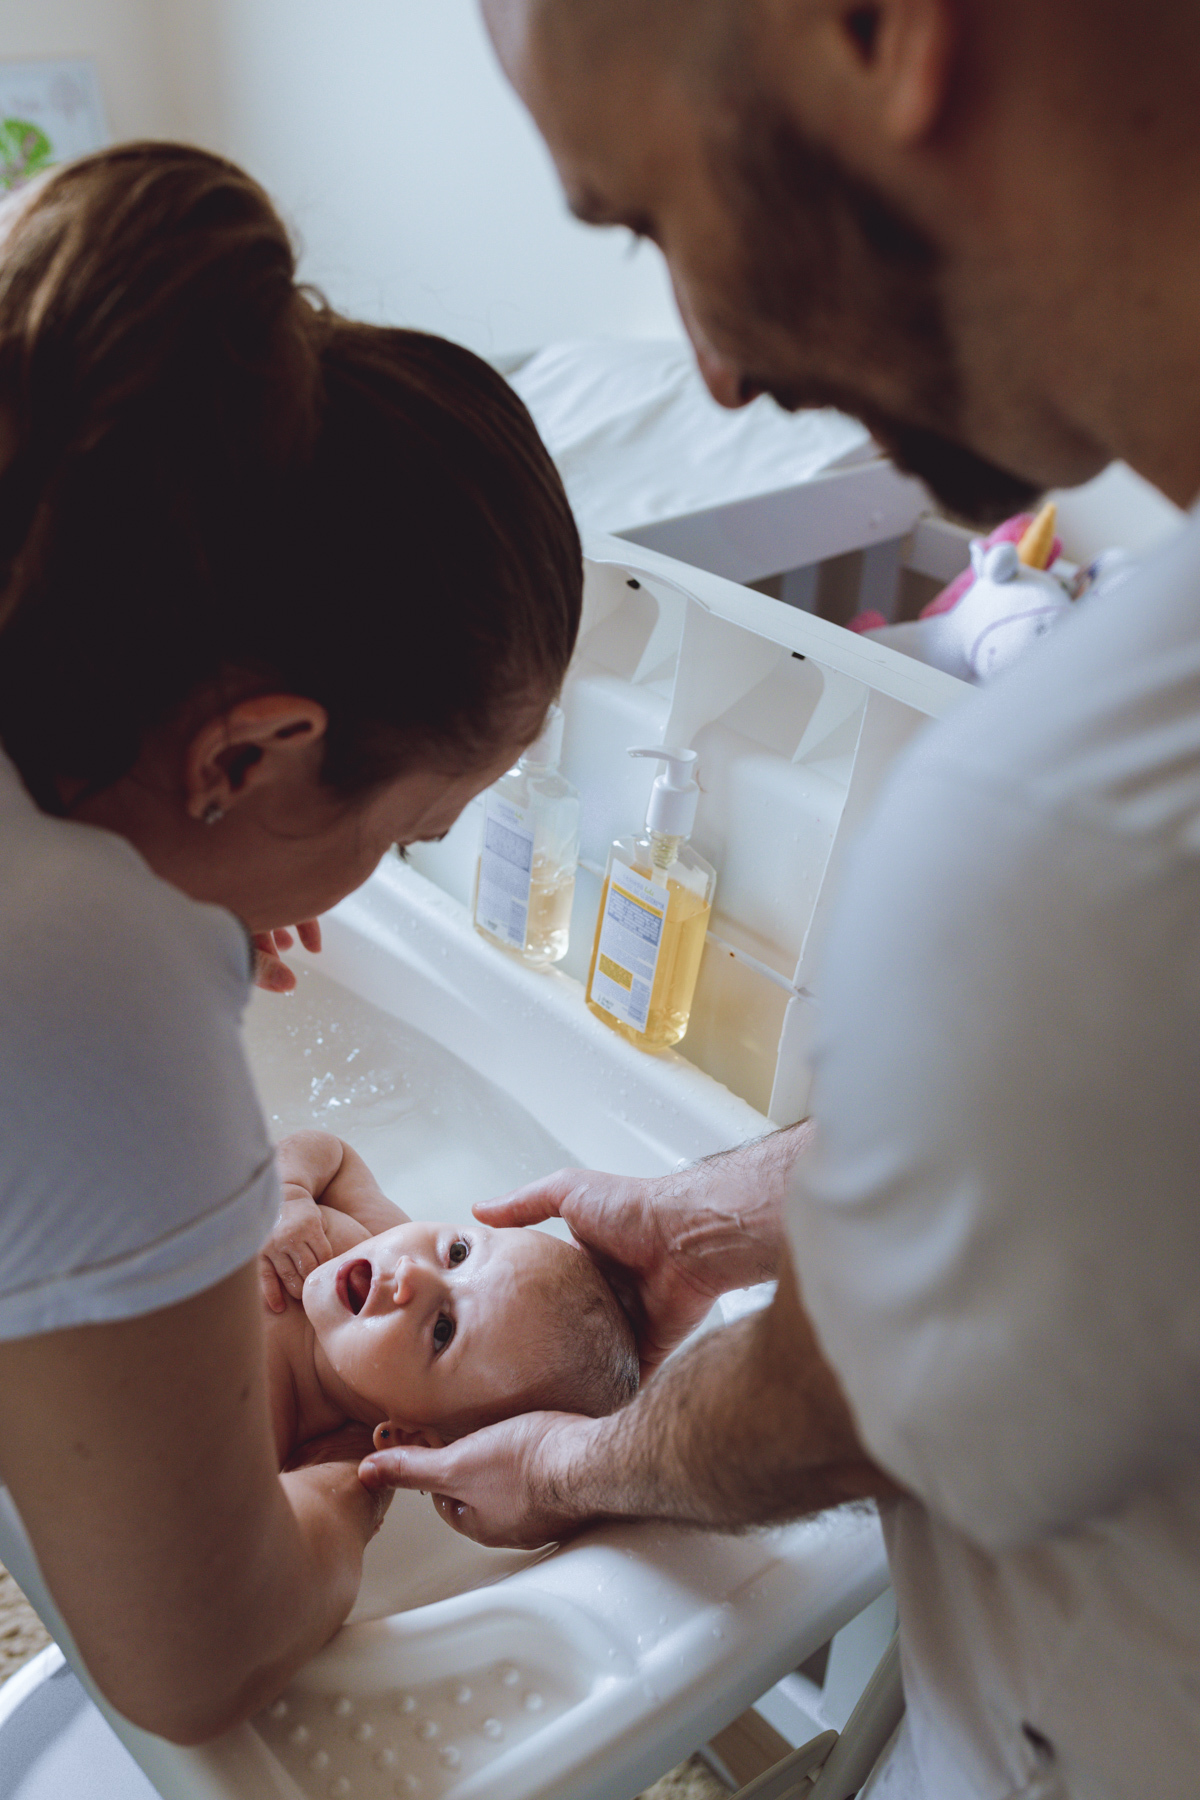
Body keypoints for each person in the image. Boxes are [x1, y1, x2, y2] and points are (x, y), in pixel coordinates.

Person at [361, 4, 1200, 1796]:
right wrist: (753, 1199)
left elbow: (833, 1412)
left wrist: (571, 1471)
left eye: (654, 221)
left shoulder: (1071, 833)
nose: (715, 369)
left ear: (881, 30)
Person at [0, 140, 582, 1743]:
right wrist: (341, 1508)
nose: (361, 885)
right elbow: (193, 1661)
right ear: (247, 752)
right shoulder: (84, 958)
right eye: (398, 832)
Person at [258, 1131, 638, 1465]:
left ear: (412, 1438)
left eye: (442, 1331)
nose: (411, 1273)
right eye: (458, 1253)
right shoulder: (375, 1231)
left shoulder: (282, 1432)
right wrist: (286, 1193)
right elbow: (335, 1155)